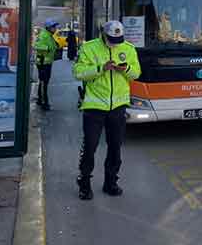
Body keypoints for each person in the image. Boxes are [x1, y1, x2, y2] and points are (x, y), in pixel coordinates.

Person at [73, 21, 141, 201]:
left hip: (118, 108)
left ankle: (111, 182)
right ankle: (84, 183)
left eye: (117, 39)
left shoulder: (128, 48)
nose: (114, 43)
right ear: (103, 34)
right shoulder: (89, 48)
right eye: (111, 39)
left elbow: (136, 73)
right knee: (90, 147)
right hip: (94, 107)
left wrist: (125, 68)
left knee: (115, 148)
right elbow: (78, 73)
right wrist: (100, 69)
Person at [34, 19, 60, 111]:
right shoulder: (44, 35)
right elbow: (36, 46)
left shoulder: (49, 35)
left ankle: (40, 99)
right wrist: (48, 48)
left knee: (44, 82)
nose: (55, 29)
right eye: (54, 27)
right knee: (43, 82)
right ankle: (44, 102)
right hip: (43, 63)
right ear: (49, 27)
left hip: (47, 62)